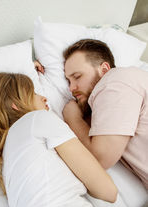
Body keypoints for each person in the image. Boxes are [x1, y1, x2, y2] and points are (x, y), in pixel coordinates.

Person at [0, 72, 118, 207]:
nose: (44, 97)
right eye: (34, 93)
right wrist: (72, 115)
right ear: (16, 104)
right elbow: (108, 192)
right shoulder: (38, 119)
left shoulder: (6, 160)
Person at [62, 39, 148, 190]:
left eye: (77, 76)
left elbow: (100, 159)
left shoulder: (115, 81)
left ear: (104, 69)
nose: (71, 88)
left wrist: (72, 118)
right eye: (68, 81)